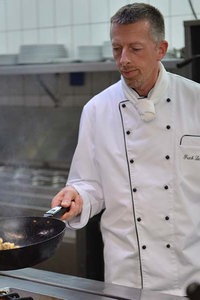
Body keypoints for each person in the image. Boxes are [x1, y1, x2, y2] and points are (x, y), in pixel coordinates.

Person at [51, 2, 200, 297]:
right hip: (127, 277)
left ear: (161, 49)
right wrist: (77, 196)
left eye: (135, 48)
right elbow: (89, 184)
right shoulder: (96, 109)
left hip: (190, 275)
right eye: (117, 48)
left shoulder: (195, 101)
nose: (123, 60)